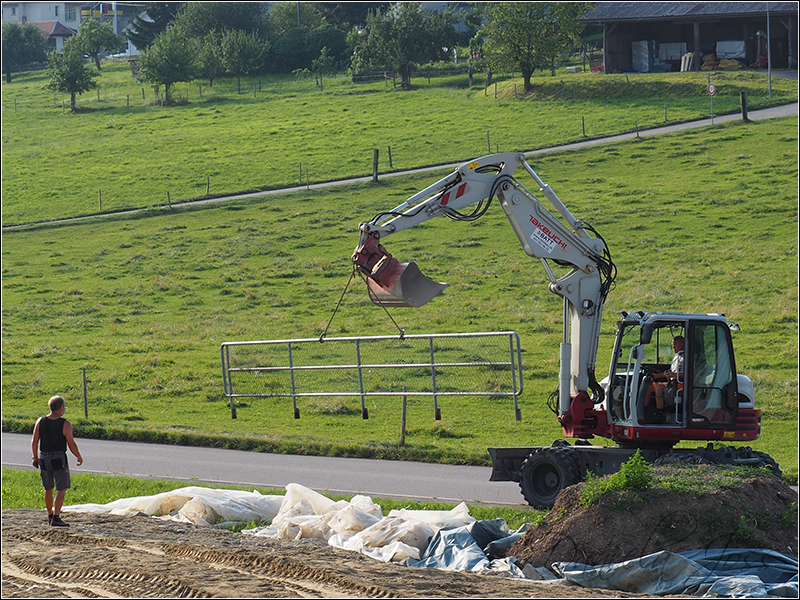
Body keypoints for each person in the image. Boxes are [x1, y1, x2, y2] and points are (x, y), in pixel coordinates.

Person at [31, 395, 83, 527]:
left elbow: (35, 441)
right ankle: (56, 517)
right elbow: (71, 443)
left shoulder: (40, 421)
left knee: (48, 488)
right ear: (61, 408)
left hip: (43, 457)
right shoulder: (65, 423)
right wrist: (78, 456)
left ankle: (49, 515)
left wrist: (35, 457)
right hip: (58, 458)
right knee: (61, 488)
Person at [643, 336, 685, 421]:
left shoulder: (687, 357)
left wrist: (674, 375)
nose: (673, 347)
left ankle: (659, 413)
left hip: (681, 384)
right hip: (672, 383)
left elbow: (689, 373)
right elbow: (671, 371)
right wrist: (658, 376)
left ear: (682, 344)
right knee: (649, 387)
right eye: (672, 345)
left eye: (675, 345)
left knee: (659, 387)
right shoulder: (676, 357)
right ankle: (643, 410)